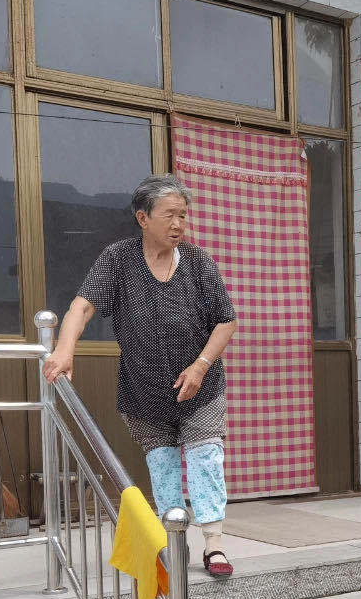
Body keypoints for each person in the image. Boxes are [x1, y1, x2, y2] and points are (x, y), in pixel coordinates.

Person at [42, 174, 239, 578]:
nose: (179, 224)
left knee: (205, 457)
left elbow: (226, 321)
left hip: (200, 386)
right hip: (144, 389)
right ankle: (173, 541)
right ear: (143, 218)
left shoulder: (199, 263)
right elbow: (82, 306)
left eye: (183, 215)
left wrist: (200, 366)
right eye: (170, 215)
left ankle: (214, 543)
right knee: (163, 466)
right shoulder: (119, 259)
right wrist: (64, 350)